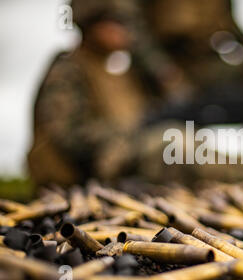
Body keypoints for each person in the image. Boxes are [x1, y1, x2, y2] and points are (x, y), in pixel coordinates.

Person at [28, 0, 157, 186]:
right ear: (91, 24)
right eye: (116, 21)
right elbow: (70, 134)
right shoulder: (68, 70)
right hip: (73, 181)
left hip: (116, 176)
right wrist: (131, 142)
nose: (124, 30)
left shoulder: (124, 75)